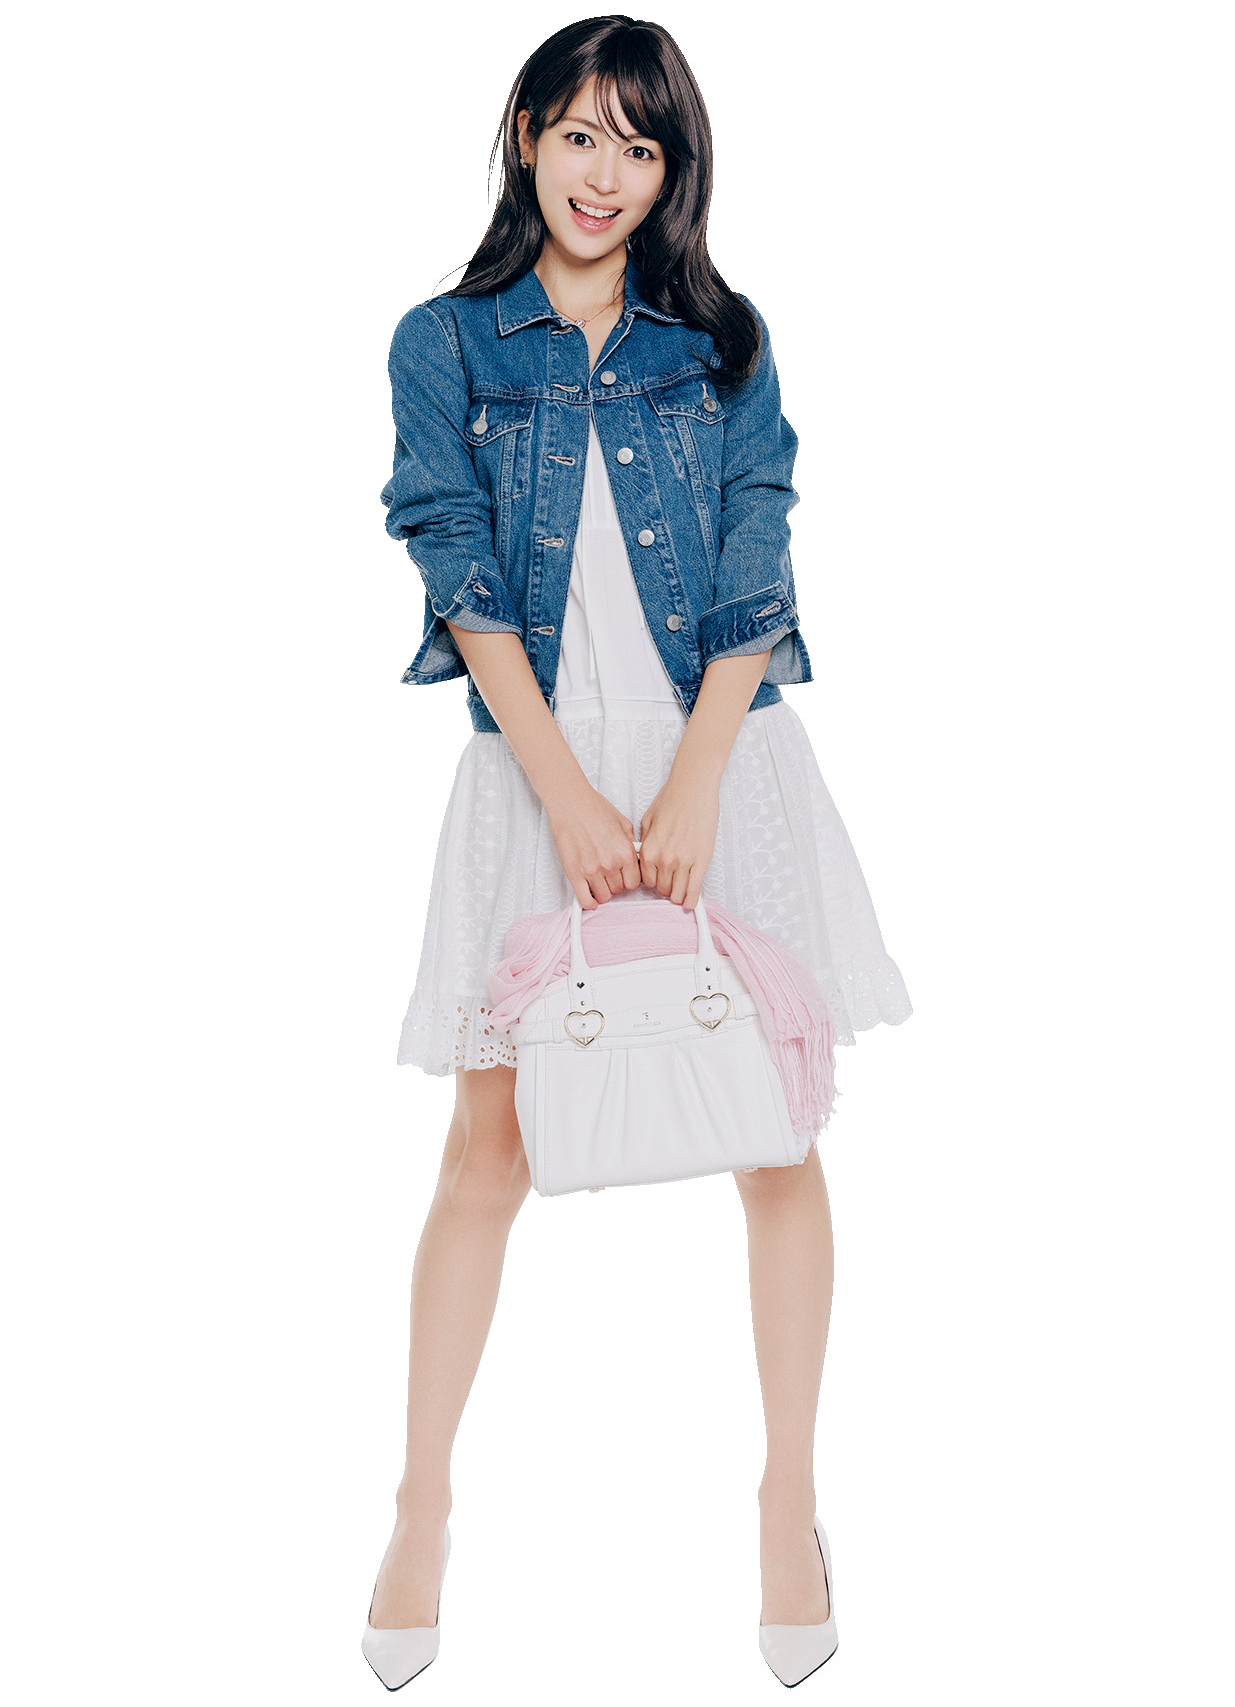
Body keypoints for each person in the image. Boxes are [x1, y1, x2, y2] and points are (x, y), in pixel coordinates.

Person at [362, 16, 911, 1690]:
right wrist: (570, 796)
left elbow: (757, 552)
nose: (607, 176)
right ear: (527, 132)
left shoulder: (722, 341)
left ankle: (788, 1499)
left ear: (675, 171)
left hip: (717, 763)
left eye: (643, 146)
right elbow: (452, 558)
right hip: (537, 771)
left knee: (774, 1128)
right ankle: (420, 1505)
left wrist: (690, 785)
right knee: (488, 1151)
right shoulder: (446, 344)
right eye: (584, 135)